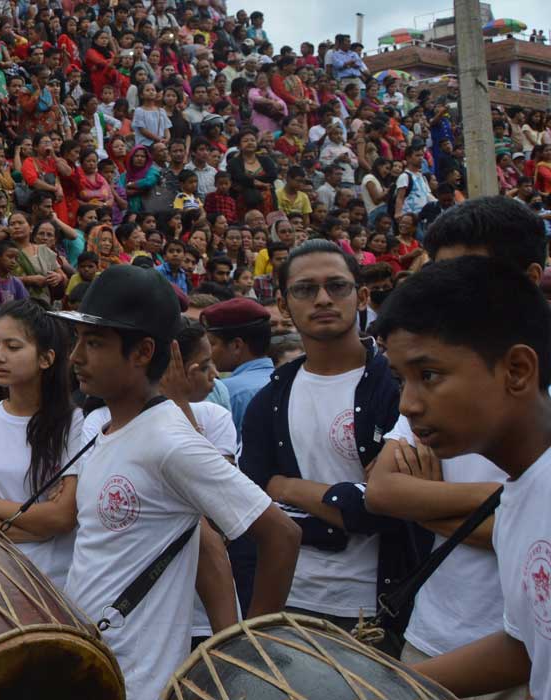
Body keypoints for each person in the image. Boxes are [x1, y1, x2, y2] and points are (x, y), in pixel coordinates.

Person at [54, 264, 301, 700]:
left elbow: (281, 533)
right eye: (77, 341)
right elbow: (199, 538)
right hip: (94, 668)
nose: (76, 357)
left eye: (94, 343)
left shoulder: (171, 442)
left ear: (143, 351)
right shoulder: (104, 430)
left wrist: (248, 650)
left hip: (141, 683)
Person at [366, 196, 544, 700]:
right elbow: (382, 490)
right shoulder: (528, 487)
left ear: (517, 370)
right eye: (403, 379)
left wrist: (435, 508)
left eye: (429, 376)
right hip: (441, 636)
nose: (408, 406)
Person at [239, 239, 420, 654]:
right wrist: (343, 504)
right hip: (291, 605)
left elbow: (386, 509)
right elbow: (252, 508)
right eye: (305, 289)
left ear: (362, 296)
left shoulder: (399, 389)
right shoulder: (268, 402)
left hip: (377, 610)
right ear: (284, 305)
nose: (322, 299)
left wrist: (288, 487)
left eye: (337, 286)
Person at [0, 300, 82, 587]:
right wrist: (32, 529)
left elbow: (62, 517)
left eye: (13, 347)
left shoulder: (74, 423)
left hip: (59, 580)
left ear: (46, 358)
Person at [201, 297, 274, 431]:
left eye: (212, 343)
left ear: (236, 346)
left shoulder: (224, 391)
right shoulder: (287, 381)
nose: (208, 352)